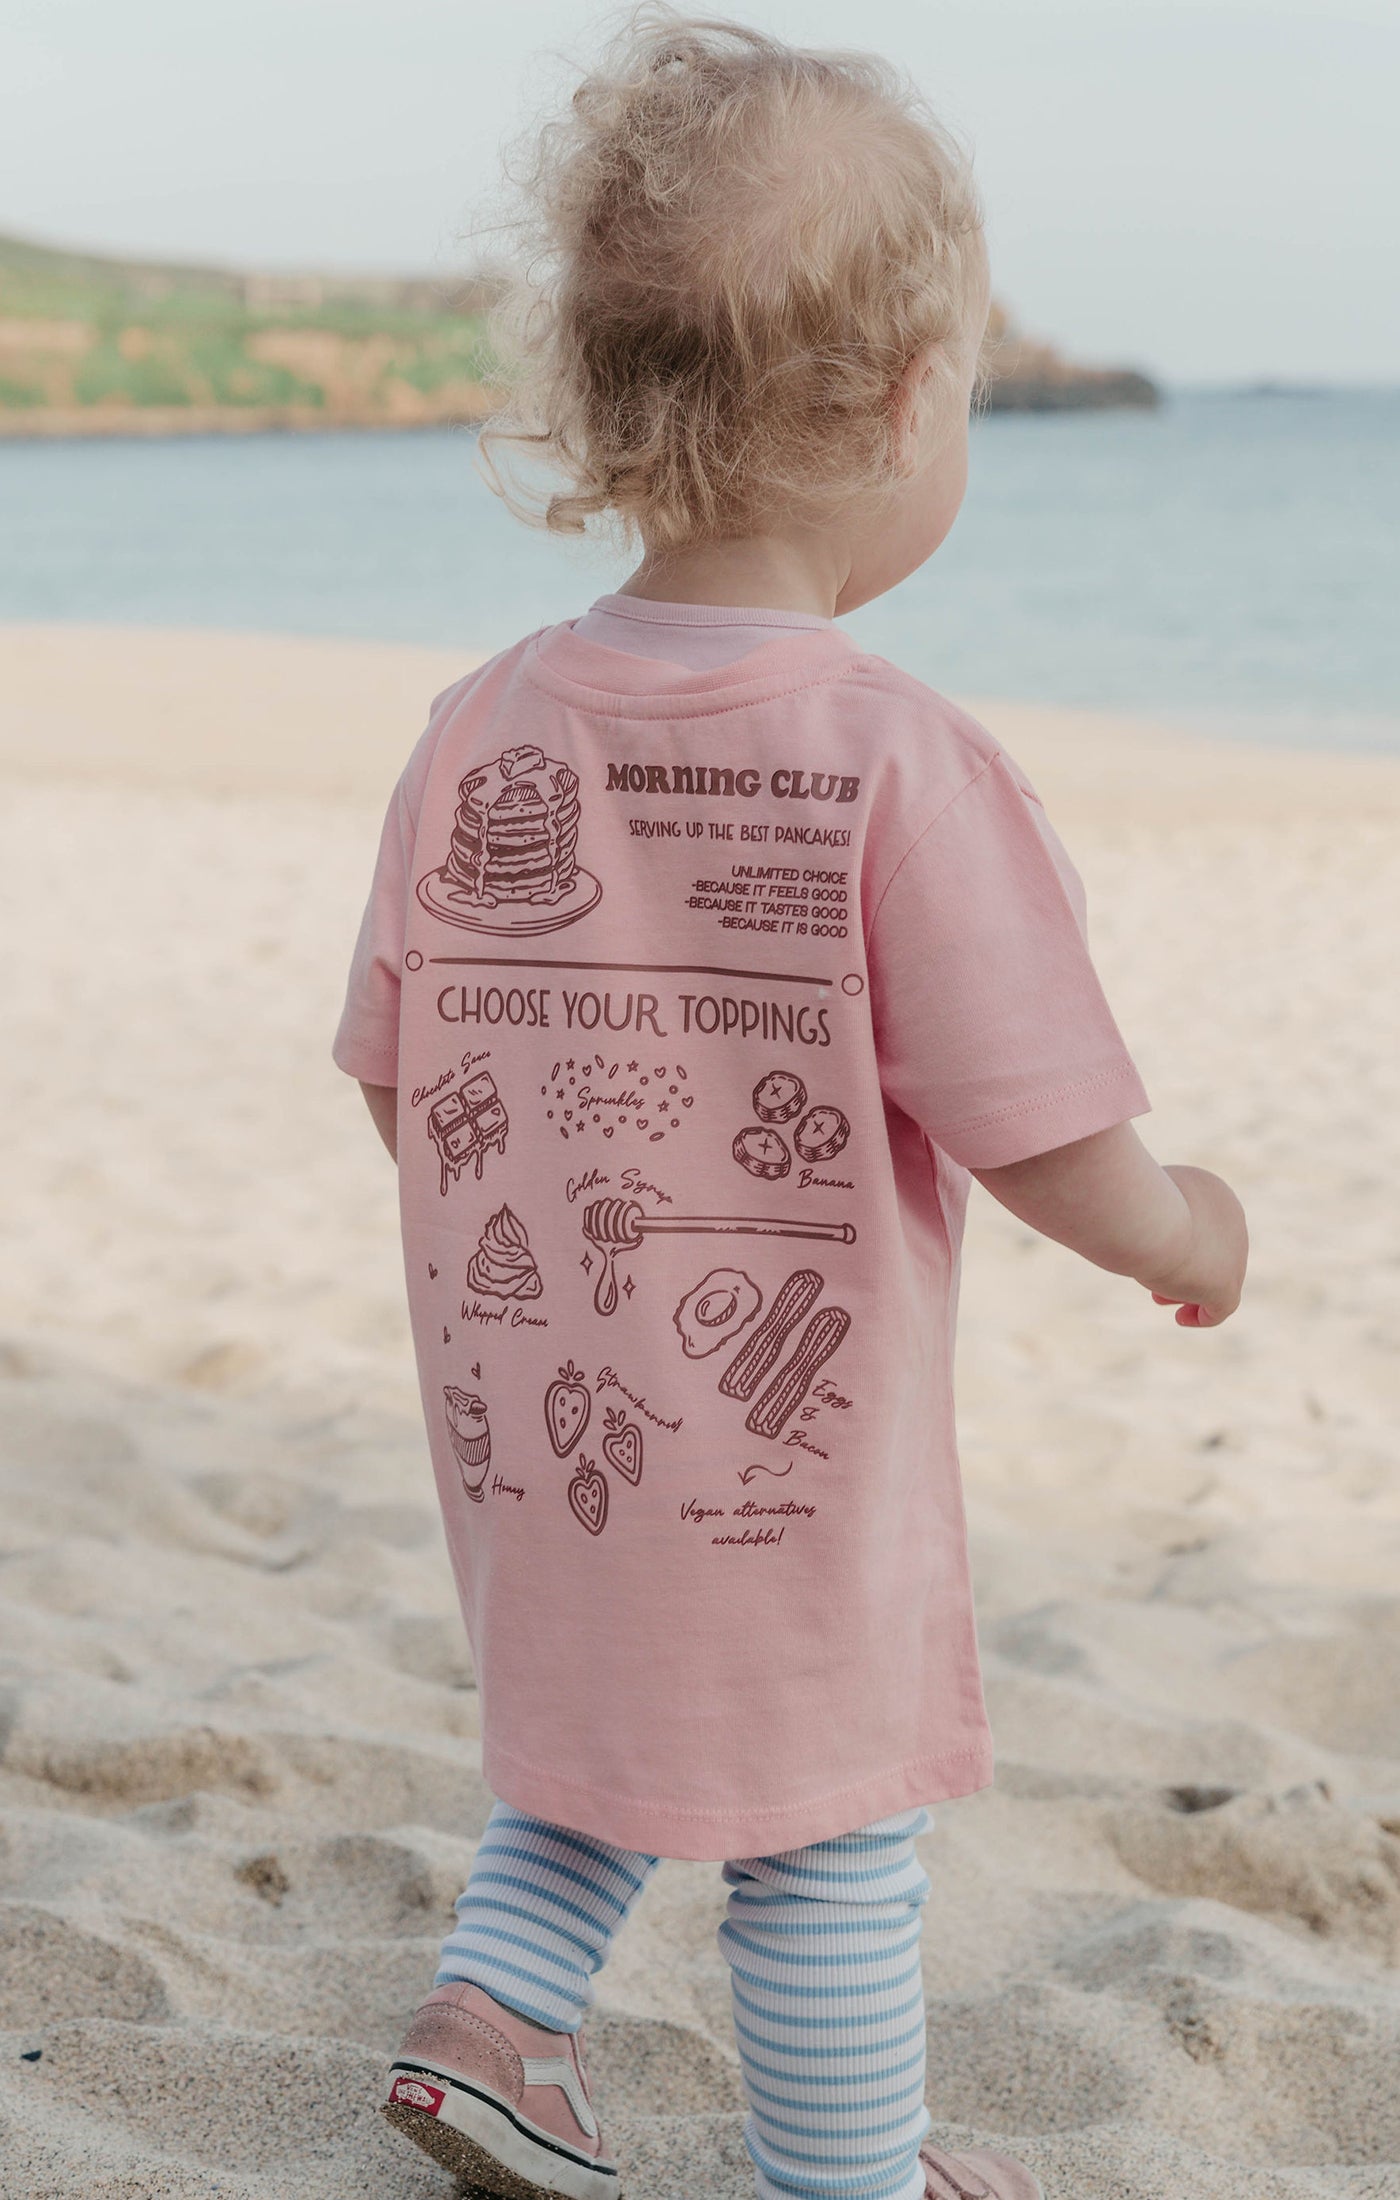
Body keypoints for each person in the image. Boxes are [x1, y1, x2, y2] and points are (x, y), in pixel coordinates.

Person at [330, 13, 1248, 2200]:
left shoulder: (480, 727)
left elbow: (404, 1073)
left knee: (607, 1735)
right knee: (831, 1820)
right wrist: (1183, 1229)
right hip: (788, 1459)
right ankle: (847, 2175)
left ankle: (492, 2018)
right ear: (921, 400)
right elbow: (1035, 1122)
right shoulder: (896, 759)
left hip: (535, 1422)